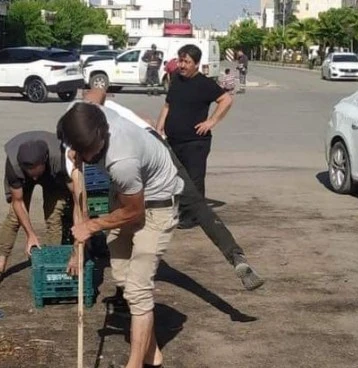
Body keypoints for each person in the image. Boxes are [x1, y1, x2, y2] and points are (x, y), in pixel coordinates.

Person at [75, 89, 263, 291]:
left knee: (119, 214)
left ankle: (125, 290)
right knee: (196, 205)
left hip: (139, 154)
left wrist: (82, 235)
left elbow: (79, 200)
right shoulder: (96, 117)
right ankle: (235, 256)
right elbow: (99, 92)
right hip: (154, 145)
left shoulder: (79, 139)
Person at [58, 101, 184, 368]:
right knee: (125, 280)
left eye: (86, 150)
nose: (81, 155)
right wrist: (76, 153)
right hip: (126, 199)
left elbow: (135, 212)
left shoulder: (122, 160)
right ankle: (151, 358)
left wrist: (92, 226)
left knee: (138, 290)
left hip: (155, 208)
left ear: (101, 137)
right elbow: (95, 93)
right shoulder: (87, 116)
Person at [0, 131, 72, 286]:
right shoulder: (14, 166)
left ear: (44, 162)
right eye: (29, 173)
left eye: (35, 173)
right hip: (22, 179)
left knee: (54, 217)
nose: (34, 178)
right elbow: (18, 202)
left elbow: (76, 188)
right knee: (14, 218)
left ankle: (53, 264)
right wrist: (30, 235)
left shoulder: (60, 159)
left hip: (53, 177)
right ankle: (0, 265)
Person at [156, 44, 233, 200]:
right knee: (176, 178)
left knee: (193, 179)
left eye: (186, 62)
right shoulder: (176, 79)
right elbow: (168, 104)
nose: (182, 65)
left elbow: (226, 99)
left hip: (195, 142)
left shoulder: (204, 84)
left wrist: (211, 121)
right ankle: (181, 210)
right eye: (180, 61)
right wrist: (160, 125)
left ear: (196, 64)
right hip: (174, 140)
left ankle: (192, 215)